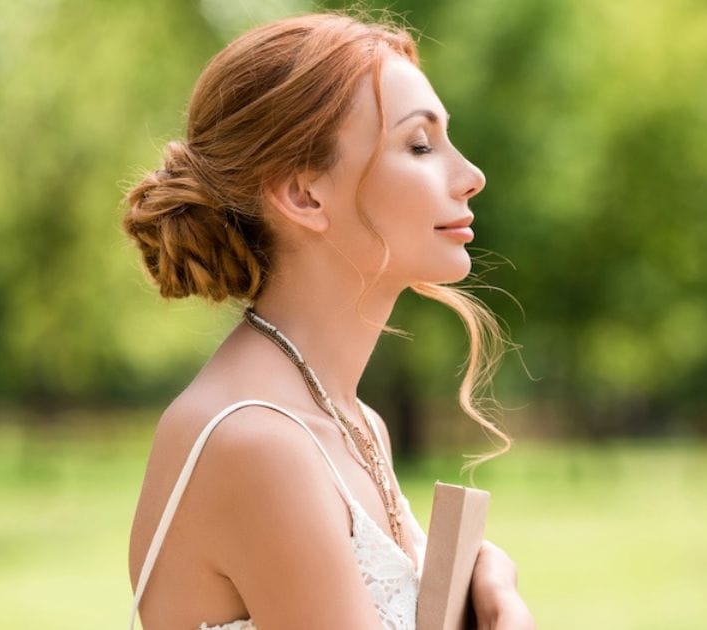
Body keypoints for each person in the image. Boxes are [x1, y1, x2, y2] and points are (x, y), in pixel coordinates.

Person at [122, 11, 534, 630]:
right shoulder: (259, 443)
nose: (471, 177)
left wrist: (488, 578)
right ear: (304, 195)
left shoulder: (356, 424)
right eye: (420, 146)